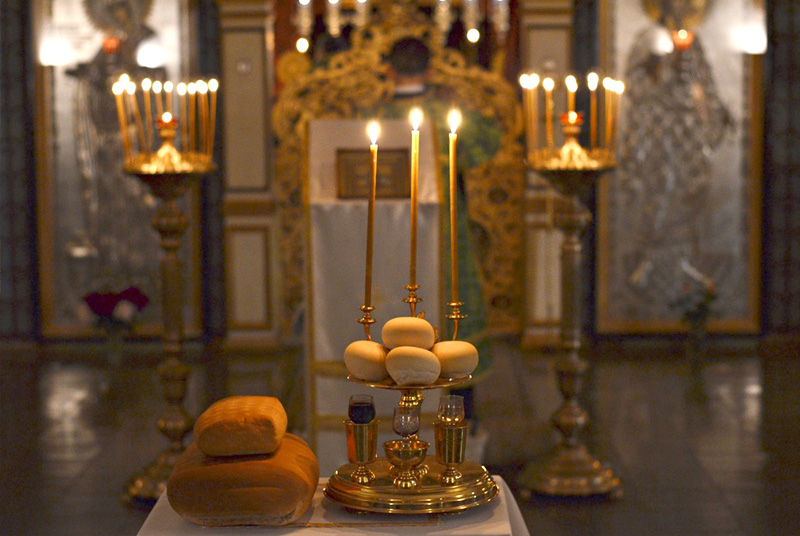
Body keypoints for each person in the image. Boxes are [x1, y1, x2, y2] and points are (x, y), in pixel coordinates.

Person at [372, 36, 503, 426]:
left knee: (396, 309)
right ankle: (459, 415)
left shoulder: (373, 117)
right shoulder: (447, 112)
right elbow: (487, 142)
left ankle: (397, 408)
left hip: (391, 233)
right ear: (429, 70)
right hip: (446, 233)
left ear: (389, 70)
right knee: (452, 310)